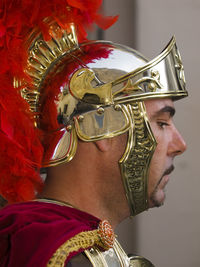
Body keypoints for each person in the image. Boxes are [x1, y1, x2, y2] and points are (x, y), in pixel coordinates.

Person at [0, 0, 187, 266]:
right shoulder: (56, 251)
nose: (180, 145)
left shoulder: (75, 246)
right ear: (100, 129)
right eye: (162, 122)